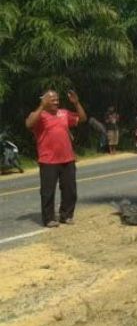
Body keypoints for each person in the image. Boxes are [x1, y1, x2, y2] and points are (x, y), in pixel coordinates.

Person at [25, 89, 87, 227]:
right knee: (47, 192)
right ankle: (49, 219)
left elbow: (82, 118)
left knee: (70, 190)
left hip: (67, 158)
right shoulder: (39, 115)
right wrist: (41, 106)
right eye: (52, 100)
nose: (56, 102)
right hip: (48, 160)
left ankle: (66, 215)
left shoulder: (63, 113)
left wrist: (76, 103)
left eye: (57, 99)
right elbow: (29, 124)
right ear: (44, 100)